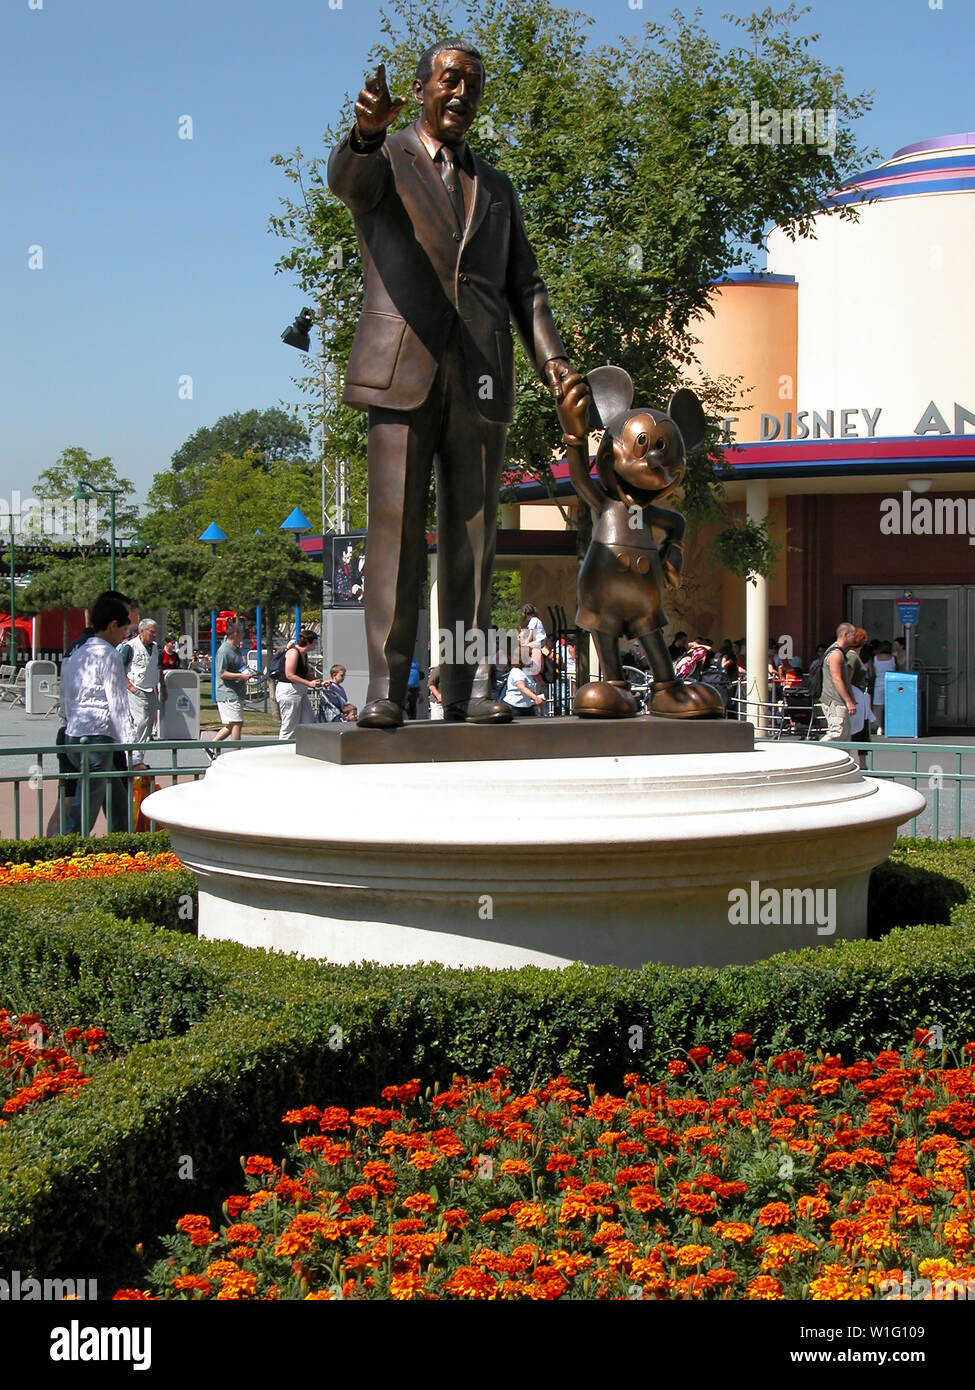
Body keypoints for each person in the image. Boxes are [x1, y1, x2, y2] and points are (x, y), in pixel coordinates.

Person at [328, 42, 586, 727]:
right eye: (450, 80)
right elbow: (346, 185)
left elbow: (523, 286)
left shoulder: (496, 187)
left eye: (473, 84)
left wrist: (553, 362)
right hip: (399, 369)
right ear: (418, 91)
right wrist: (364, 133)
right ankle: (386, 686)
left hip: (480, 375)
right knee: (396, 536)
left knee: (474, 543)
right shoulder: (383, 158)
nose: (461, 93)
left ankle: (468, 686)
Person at [61, 592, 137, 834]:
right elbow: (118, 705)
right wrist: (133, 753)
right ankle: (66, 853)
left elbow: (67, 698)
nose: (125, 637)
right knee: (85, 810)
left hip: (74, 735)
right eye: (124, 631)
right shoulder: (109, 654)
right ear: (113, 625)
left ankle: (124, 840)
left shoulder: (79, 653)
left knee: (116, 797)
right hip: (97, 738)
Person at [119, 618, 166, 769]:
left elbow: (159, 668)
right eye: (151, 632)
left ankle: (139, 758)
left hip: (151, 689)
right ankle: (131, 757)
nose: (154, 635)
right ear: (142, 631)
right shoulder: (130, 647)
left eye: (155, 632)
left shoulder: (156, 648)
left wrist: (162, 687)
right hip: (136, 689)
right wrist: (130, 687)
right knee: (141, 721)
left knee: (149, 724)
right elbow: (119, 668)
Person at [208, 619, 250, 758]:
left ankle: (211, 745)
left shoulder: (235, 649)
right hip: (228, 692)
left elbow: (239, 666)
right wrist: (240, 676)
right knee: (237, 722)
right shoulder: (224, 651)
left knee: (230, 724)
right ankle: (236, 754)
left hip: (236, 691)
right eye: (242, 633)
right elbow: (222, 673)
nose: (244, 635)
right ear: (236, 634)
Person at [276, 629, 323, 739]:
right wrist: (309, 683)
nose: (316, 646)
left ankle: (303, 747)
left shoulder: (304, 655)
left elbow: (306, 674)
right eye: (315, 643)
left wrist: (319, 681)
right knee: (289, 725)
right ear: (308, 642)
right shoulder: (293, 652)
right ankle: (283, 748)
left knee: (308, 721)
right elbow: (290, 675)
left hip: (300, 691)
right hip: (289, 691)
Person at [820, 621, 859, 743]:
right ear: (845, 634)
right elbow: (837, 679)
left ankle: (845, 761)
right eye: (853, 635)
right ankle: (815, 750)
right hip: (834, 701)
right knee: (837, 733)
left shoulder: (841, 653)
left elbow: (846, 681)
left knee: (845, 737)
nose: (855, 638)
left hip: (839, 701)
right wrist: (848, 701)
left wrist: (851, 699)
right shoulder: (836, 654)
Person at [501, 646, 546, 716]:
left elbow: (530, 687)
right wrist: (535, 698)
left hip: (527, 706)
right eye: (529, 656)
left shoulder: (526, 671)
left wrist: (538, 697)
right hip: (514, 707)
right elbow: (522, 687)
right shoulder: (516, 671)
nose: (531, 658)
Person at [872, 640, 896, 735]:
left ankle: (879, 727)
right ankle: (891, 726)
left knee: (878, 707)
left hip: (879, 683)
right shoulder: (893, 658)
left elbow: (873, 673)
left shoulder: (875, 658)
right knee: (891, 706)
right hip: (891, 683)